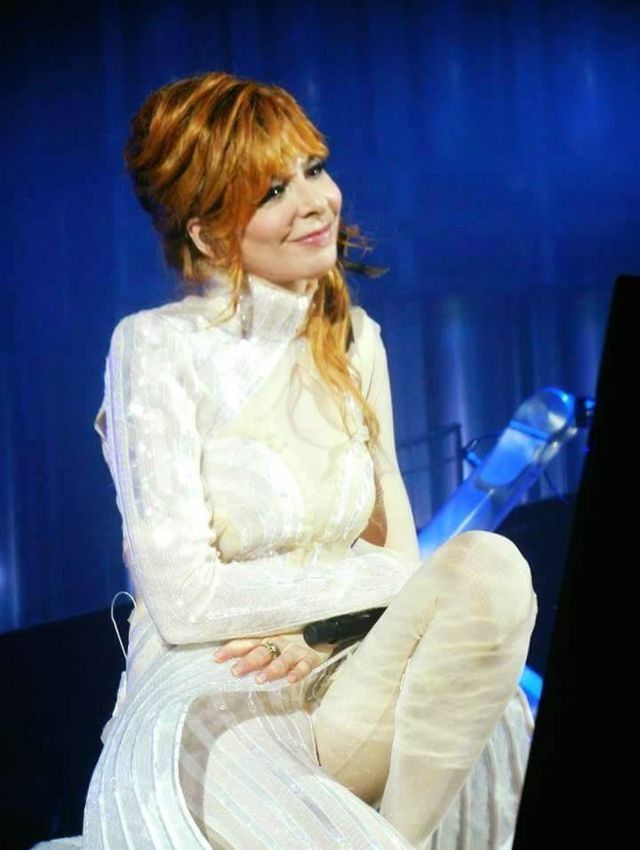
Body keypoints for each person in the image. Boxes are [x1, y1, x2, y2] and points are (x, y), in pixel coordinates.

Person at [34, 71, 537, 850]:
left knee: (490, 566)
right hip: (224, 689)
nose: (315, 202)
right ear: (209, 234)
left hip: (348, 664)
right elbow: (185, 598)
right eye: (273, 190)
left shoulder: (357, 340)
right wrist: (349, 597)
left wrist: (325, 631)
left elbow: (402, 560)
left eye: (314, 169)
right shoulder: (156, 346)